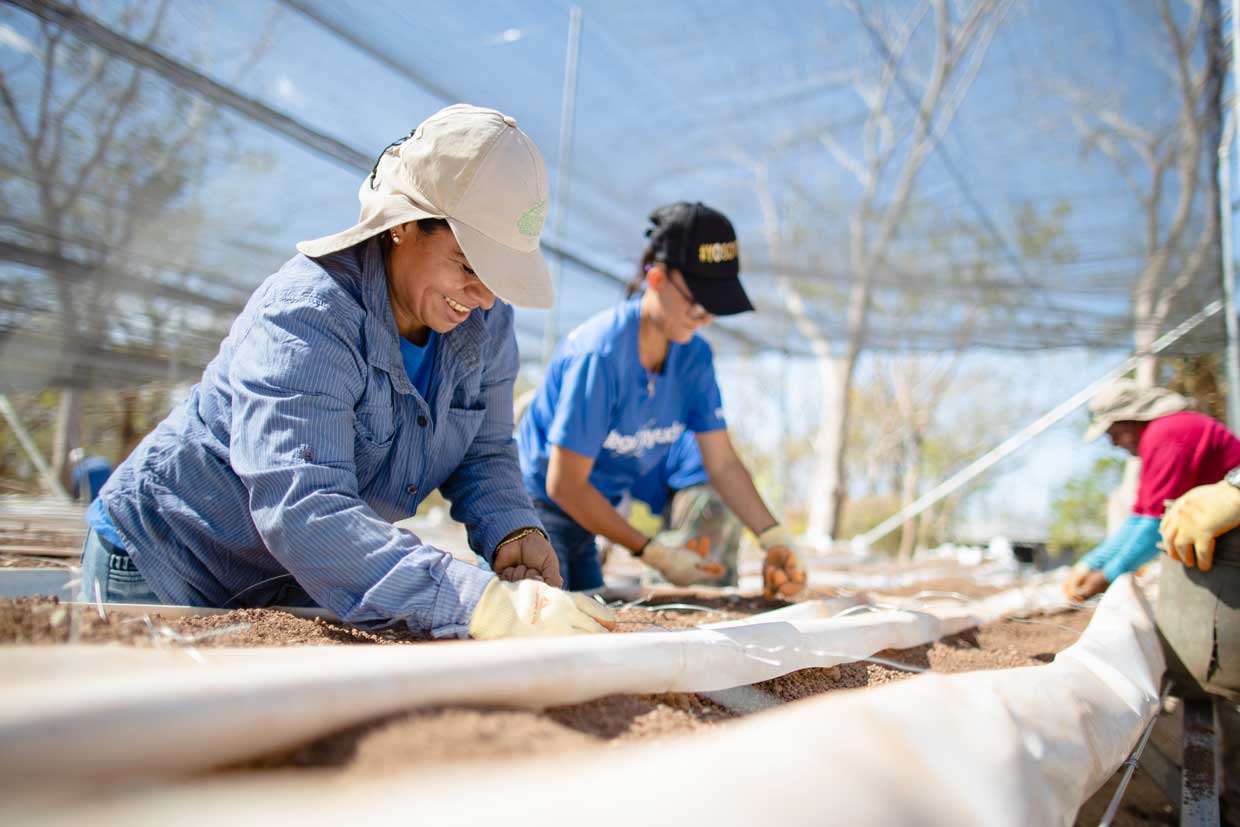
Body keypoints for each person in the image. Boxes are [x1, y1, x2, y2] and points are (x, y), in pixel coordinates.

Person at [82, 104, 613, 639]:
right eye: (470, 265)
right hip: (170, 563)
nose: (483, 297)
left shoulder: (488, 324)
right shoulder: (307, 316)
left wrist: (512, 531)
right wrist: (481, 604)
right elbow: (304, 507)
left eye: (500, 276)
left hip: (289, 580)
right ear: (404, 225)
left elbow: (485, 451)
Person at [518, 201, 806, 598]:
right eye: (698, 300)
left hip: (592, 513)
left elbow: (722, 463)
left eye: (716, 306)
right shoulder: (600, 354)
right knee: (541, 613)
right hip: (534, 510)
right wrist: (654, 552)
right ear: (656, 277)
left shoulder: (695, 356)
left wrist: (774, 538)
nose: (705, 317)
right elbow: (564, 485)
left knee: (591, 614)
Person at [1063, 379, 1240, 601]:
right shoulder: (1158, 436)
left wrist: (1105, 577)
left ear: (1130, 419)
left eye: (1113, 433)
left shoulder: (1168, 434)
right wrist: (1090, 563)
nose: (1114, 443)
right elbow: (1139, 520)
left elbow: (1154, 527)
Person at [629, 431, 743, 586]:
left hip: (699, 491)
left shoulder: (632, 454)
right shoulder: (666, 433)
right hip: (734, 496)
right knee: (719, 578)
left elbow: (615, 504)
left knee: (673, 571)